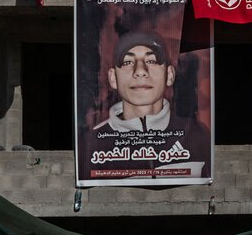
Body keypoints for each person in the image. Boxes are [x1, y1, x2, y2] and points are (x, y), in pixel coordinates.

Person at [82, 31, 210, 178]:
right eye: (128, 62)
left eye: (152, 61)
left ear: (169, 75)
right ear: (113, 78)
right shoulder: (90, 144)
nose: (140, 71)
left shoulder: (197, 135)